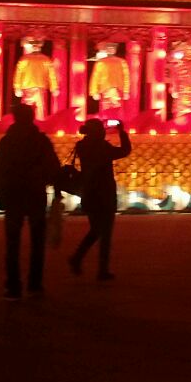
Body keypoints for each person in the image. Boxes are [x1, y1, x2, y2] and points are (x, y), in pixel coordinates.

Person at [0, 102, 59, 299]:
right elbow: (53, 167)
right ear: (31, 118)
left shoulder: (7, 142)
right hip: (35, 195)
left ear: (15, 118)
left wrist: (0, 195)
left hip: (14, 195)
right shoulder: (41, 141)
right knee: (37, 241)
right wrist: (54, 188)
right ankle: (35, 284)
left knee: (12, 244)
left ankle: (13, 286)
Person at [68, 118, 132, 281]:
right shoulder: (102, 147)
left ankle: (78, 258)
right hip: (104, 193)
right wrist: (121, 132)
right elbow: (125, 151)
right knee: (105, 231)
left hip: (90, 193)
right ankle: (101, 269)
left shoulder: (82, 146)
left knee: (96, 229)